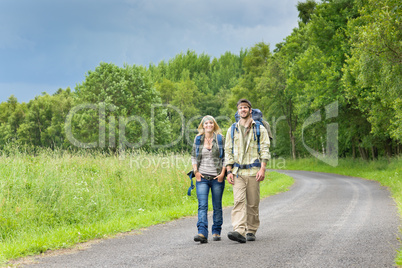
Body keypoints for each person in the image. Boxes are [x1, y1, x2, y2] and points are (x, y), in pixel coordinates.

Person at [225, 99, 270, 243]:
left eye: (245, 107)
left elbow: (264, 149)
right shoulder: (232, 129)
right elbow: (227, 151)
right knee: (238, 201)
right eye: (240, 108)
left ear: (250, 110)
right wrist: (228, 170)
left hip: (253, 171)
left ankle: (251, 229)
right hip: (237, 172)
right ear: (237, 111)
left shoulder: (259, 129)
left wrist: (262, 169)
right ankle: (239, 230)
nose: (243, 110)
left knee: (252, 203)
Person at [192, 115, 226, 244]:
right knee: (202, 206)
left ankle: (216, 231)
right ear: (203, 125)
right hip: (202, 178)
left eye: (211, 123)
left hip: (217, 177)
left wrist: (223, 173)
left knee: (217, 206)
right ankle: (202, 233)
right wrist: (196, 172)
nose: (208, 125)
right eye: (206, 123)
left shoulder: (220, 139)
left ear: (214, 125)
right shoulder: (198, 139)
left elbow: (226, 157)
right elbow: (193, 157)